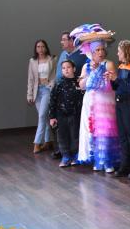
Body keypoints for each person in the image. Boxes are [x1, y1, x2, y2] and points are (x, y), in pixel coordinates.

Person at [74, 24, 121, 172]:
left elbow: (112, 83)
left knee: (106, 130)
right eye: (97, 50)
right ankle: (98, 159)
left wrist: (99, 72)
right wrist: (90, 74)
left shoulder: (109, 64)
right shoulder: (86, 66)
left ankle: (108, 162)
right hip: (90, 102)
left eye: (102, 49)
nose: (100, 52)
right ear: (91, 52)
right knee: (92, 130)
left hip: (105, 102)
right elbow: (82, 85)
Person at [107, 40, 130, 180]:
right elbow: (118, 87)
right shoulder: (122, 66)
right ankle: (125, 165)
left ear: (127, 52)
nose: (117, 53)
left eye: (119, 51)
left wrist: (118, 79)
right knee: (122, 137)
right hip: (120, 104)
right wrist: (113, 79)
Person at [52, 30, 87, 159]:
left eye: (64, 39)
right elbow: (58, 72)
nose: (61, 42)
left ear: (72, 41)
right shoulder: (63, 54)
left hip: (74, 92)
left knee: (73, 127)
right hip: (60, 90)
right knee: (58, 125)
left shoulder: (82, 54)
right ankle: (61, 150)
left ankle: (74, 152)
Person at [48, 60, 83, 167]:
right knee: (62, 136)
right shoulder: (59, 83)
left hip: (75, 114)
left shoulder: (79, 83)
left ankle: (75, 155)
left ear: (74, 69)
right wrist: (52, 116)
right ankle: (66, 155)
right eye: (63, 68)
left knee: (74, 135)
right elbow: (52, 100)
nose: (66, 70)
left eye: (68, 67)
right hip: (61, 114)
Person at [27, 39, 56, 154]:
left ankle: (37, 143)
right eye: (38, 46)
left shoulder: (52, 59)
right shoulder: (32, 61)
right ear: (36, 48)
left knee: (42, 116)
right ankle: (49, 141)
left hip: (47, 90)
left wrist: (51, 85)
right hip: (37, 91)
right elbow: (30, 78)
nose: (40, 49)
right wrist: (29, 94)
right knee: (44, 117)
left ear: (46, 47)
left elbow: (54, 76)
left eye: (42, 46)